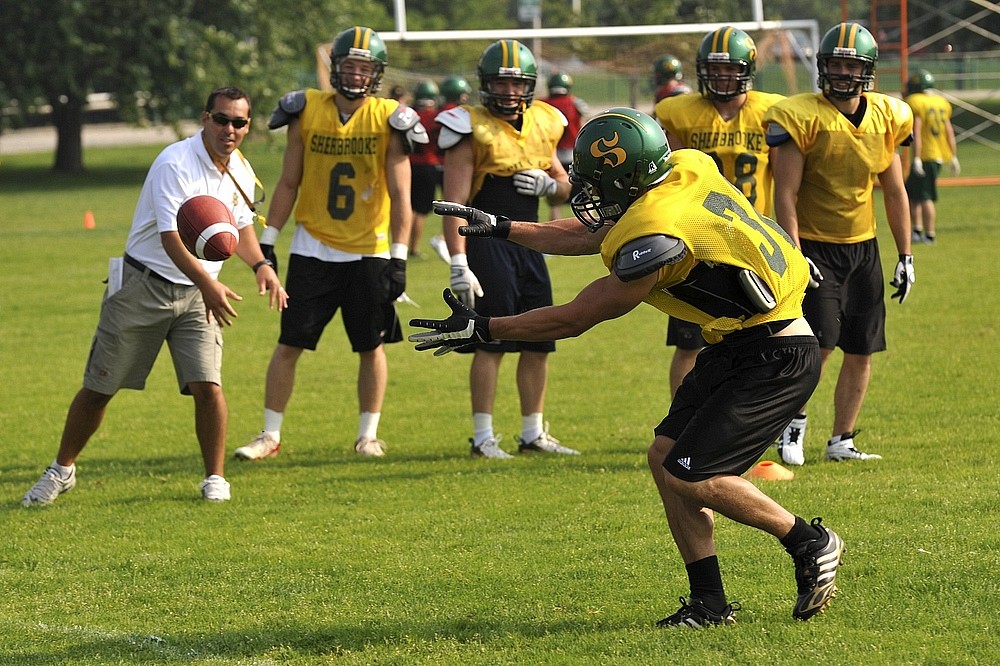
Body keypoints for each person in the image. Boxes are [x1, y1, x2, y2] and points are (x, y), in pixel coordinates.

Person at [411, 108, 845, 626]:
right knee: (664, 459)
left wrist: (486, 328)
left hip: (774, 354)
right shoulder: (685, 167)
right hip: (739, 343)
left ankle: (808, 540)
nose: (588, 192)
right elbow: (593, 233)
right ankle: (709, 603)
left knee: (694, 475)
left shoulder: (656, 237)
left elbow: (576, 317)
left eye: (598, 182)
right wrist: (504, 227)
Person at [21, 86, 287, 506]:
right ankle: (62, 469)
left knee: (208, 387)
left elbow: (241, 226)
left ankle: (215, 478)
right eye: (221, 119)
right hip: (144, 286)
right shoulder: (175, 162)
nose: (229, 129)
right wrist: (209, 285)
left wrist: (261, 266)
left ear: (248, 126)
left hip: (199, 295)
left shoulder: (238, 166)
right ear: (205, 119)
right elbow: (170, 239)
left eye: (238, 122)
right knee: (99, 388)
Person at [235, 26, 423, 461]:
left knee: (370, 345)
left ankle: (368, 434)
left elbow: (401, 196)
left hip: (368, 248)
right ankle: (269, 434)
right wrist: (268, 241)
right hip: (312, 245)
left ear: (376, 74)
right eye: (350, 66)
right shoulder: (306, 109)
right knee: (289, 342)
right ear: (335, 68)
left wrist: (398, 257)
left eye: (365, 68)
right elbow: (288, 182)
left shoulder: (390, 117)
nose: (356, 75)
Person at [764, 22, 915, 465]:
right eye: (835, 64)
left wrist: (906, 254)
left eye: (851, 64)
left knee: (862, 346)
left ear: (867, 70)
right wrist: (794, 253)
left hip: (862, 246)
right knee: (820, 344)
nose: (842, 73)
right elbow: (784, 194)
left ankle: (842, 440)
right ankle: (792, 425)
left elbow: (894, 190)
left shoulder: (887, 116)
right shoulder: (801, 115)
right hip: (814, 245)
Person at [434, 39, 577, 459]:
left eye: (517, 84)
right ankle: (483, 437)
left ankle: (532, 431)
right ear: (484, 84)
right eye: (501, 83)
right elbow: (454, 204)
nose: (509, 92)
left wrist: (553, 185)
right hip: (486, 241)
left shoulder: (545, 121)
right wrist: (458, 261)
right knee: (491, 340)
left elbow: (565, 187)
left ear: (530, 86)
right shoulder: (468, 126)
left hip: (530, 237)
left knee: (540, 338)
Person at [655, 26, 785, 398]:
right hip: (696, 240)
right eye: (714, 69)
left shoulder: (771, 112)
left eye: (730, 69)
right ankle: (682, 423)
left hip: (751, 242)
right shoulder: (677, 112)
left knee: (759, 336)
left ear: (747, 70)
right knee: (689, 342)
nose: (721, 76)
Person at [904, 68, 959, 244]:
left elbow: (917, 132)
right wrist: (952, 155)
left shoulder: (916, 102)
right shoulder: (941, 102)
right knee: (916, 194)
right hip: (938, 156)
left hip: (926, 155)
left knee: (923, 196)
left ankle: (927, 234)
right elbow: (949, 131)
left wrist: (917, 158)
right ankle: (918, 231)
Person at [429, 76, 474, 263]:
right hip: (454, 166)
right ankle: (444, 239)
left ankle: (445, 239)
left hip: (433, 164)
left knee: (450, 206)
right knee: (461, 207)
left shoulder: (435, 113)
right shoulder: (460, 115)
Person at [541, 71, 589, 220]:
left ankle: (554, 238)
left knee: (555, 203)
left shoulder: (542, 104)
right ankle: (589, 234)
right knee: (584, 201)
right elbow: (583, 125)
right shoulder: (576, 102)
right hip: (574, 156)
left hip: (551, 157)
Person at [409, 80, 444, 258]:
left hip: (409, 165)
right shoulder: (436, 116)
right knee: (420, 211)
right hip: (428, 164)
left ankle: (401, 246)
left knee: (408, 207)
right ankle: (413, 249)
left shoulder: (409, 114)